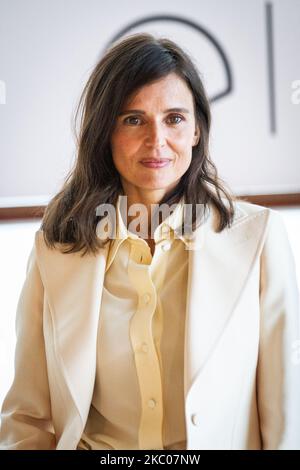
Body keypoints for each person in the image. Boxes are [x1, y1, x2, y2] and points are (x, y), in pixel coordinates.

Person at [0, 32, 299, 451]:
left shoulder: (258, 237)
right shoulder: (55, 247)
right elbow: (27, 416)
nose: (156, 141)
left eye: (174, 118)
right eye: (133, 119)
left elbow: (287, 413)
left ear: (197, 130)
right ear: (106, 131)